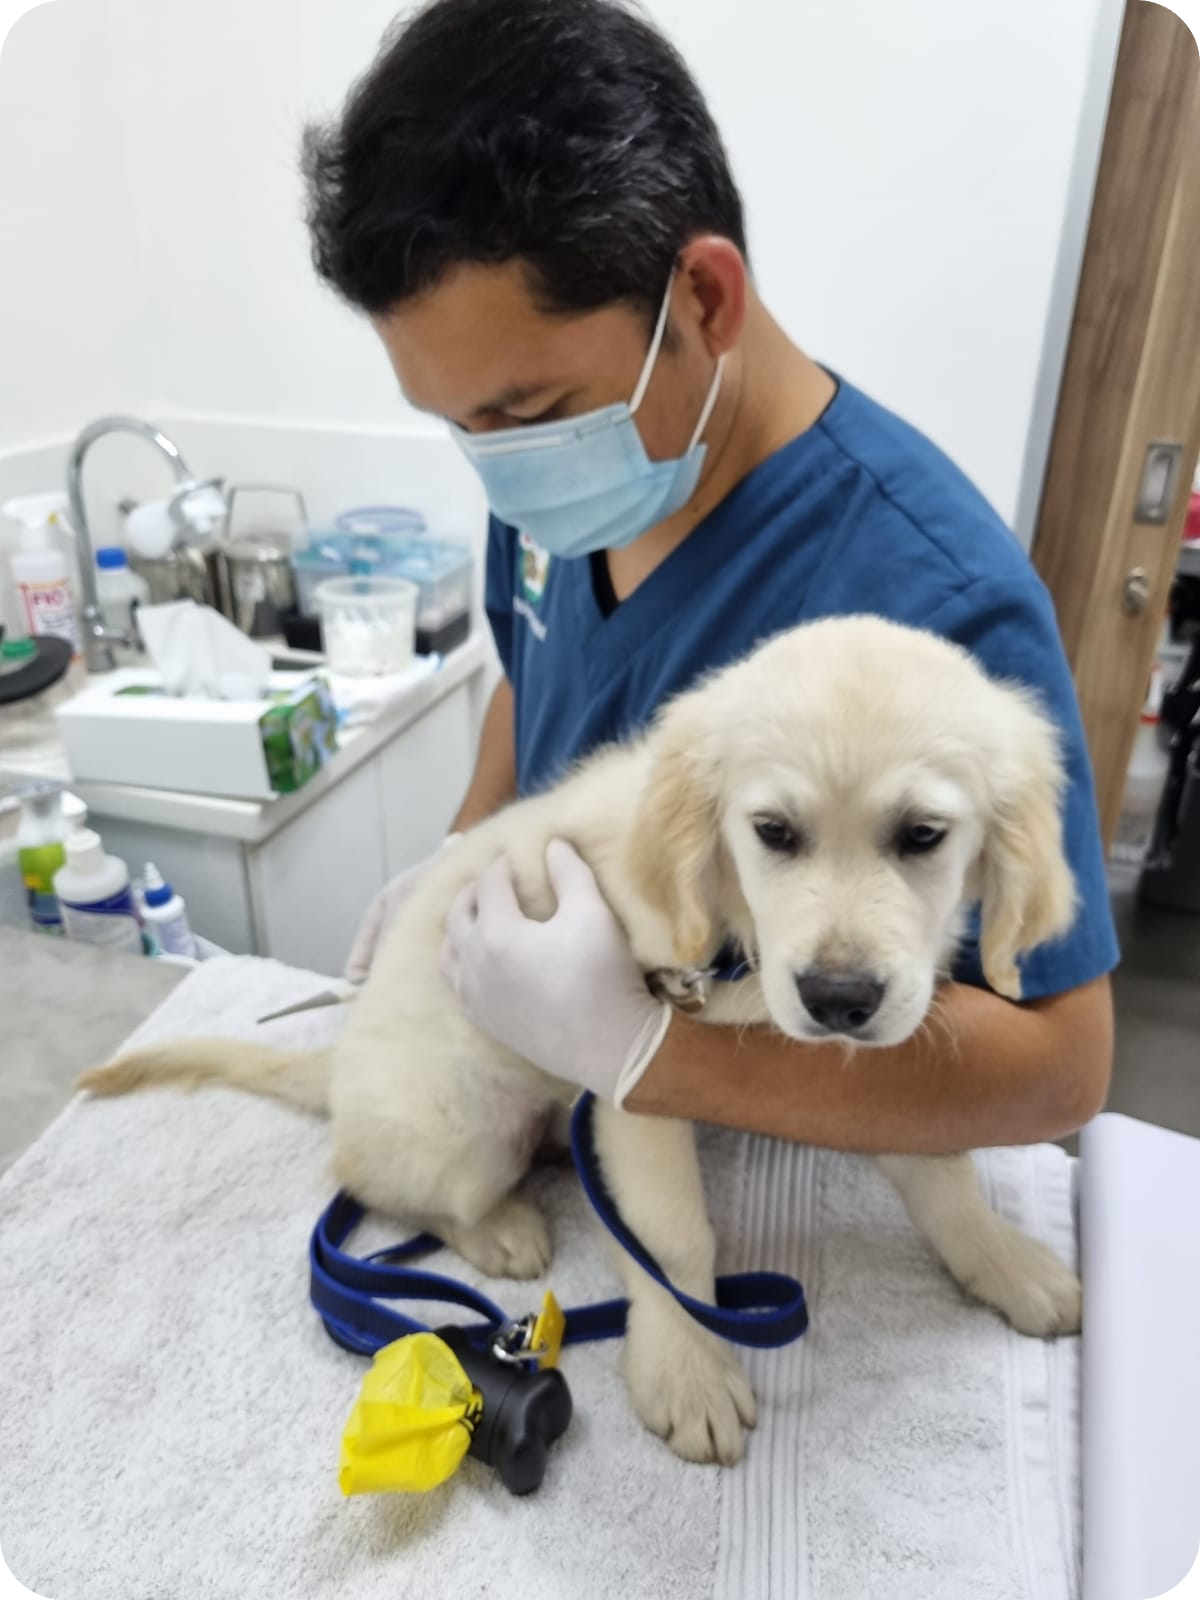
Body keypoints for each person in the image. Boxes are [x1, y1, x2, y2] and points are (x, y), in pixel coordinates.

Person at [304, 0, 1116, 1151]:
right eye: (459, 422)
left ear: (705, 300)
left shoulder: (936, 598)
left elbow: (1060, 1071)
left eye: (525, 410)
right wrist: (462, 857)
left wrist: (645, 1050)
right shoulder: (557, 484)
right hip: (542, 1116)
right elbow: (532, 677)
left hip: (753, 1163)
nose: (498, 459)